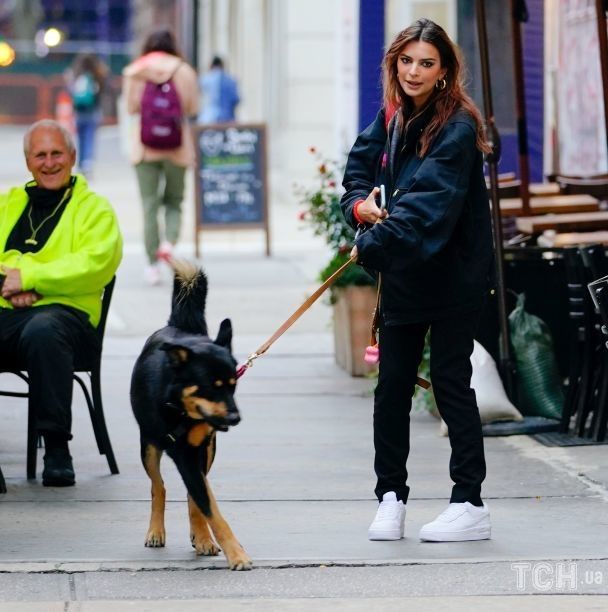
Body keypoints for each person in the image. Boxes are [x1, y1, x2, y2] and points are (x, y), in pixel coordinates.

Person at [340, 18, 494, 542]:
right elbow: (357, 173)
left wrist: (368, 244)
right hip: (405, 274)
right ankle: (390, 497)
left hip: (452, 277)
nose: (413, 71)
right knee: (392, 389)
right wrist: (359, 207)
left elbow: (426, 207)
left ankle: (470, 503)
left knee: (452, 385)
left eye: (426, 63)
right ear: (394, 63)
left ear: (445, 71)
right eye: (406, 60)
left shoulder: (456, 128)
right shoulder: (392, 116)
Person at [0, 119, 123, 486]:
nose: (49, 162)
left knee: (44, 329)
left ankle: (56, 447)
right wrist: (7, 284)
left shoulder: (95, 210)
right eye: (40, 155)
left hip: (69, 322)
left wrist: (32, 279)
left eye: (57, 153)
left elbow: (96, 264)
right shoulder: (8, 204)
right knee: (36, 327)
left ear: (72, 156)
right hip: (8, 312)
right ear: (28, 162)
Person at [122, 28, 199, 285]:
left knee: (149, 205)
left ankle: (152, 266)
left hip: (145, 148)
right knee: (175, 200)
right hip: (178, 147)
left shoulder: (136, 70)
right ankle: (169, 242)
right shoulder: (185, 71)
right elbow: (192, 108)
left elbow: (131, 107)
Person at [66, 52, 108, 178]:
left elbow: (71, 92)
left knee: (80, 139)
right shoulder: (97, 75)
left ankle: (80, 164)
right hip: (93, 111)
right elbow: (102, 92)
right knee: (90, 138)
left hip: (79, 112)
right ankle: (87, 164)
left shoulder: (76, 74)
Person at [198, 55, 240, 124]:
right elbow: (236, 99)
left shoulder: (206, 78)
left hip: (209, 119)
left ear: (211, 66)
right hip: (228, 119)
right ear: (222, 66)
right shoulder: (231, 80)